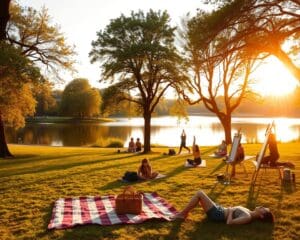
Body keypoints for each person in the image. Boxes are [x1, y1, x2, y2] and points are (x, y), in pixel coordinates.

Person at [172, 189, 274, 225]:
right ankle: (183, 214)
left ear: (261, 216)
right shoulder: (248, 211)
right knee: (201, 196)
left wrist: (230, 211)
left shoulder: (247, 217)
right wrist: (229, 209)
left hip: (218, 214)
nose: (261, 206)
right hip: (220, 209)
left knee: (200, 193)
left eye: (263, 209)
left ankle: (182, 215)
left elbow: (229, 223)